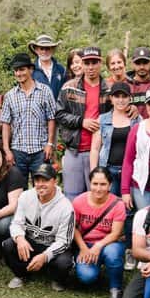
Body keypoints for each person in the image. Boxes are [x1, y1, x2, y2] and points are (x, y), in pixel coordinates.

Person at [2, 163, 75, 291]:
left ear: (55, 181)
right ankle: (21, 274)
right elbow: (16, 223)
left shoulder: (66, 207)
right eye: (37, 180)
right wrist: (20, 239)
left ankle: (57, 278)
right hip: (31, 243)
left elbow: (65, 241)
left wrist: (45, 256)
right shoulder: (25, 196)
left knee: (64, 262)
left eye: (45, 180)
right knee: (8, 245)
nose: (40, 184)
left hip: (51, 245)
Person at [56, 46, 111, 200]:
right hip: (74, 150)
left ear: (101, 63)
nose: (90, 67)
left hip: (100, 153)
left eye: (94, 62)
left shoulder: (108, 90)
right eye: (87, 63)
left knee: (97, 198)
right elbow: (59, 114)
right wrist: (81, 122)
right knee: (72, 198)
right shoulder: (69, 87)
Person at [72, 167, 127, 298]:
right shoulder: (79, 201)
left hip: (109, 243)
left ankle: (116, 289)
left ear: (110, 185)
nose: (98, 188)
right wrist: (83, 248)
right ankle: (94, 268)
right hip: (86, 244)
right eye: (95, 184)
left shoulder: (118, 204)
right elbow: (73, 228)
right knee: (87, 277)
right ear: (90, 183)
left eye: (103, 184)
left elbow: (115, 233)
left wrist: (98, 245)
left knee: (113, 253)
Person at [0, 53, 57, 179]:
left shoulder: (45, 91)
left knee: (42, 186)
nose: (19, 73)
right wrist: (7, 149)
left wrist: (50, 144)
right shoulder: (10, 95)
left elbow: (51, 118)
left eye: (22, 69)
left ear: (30, 70)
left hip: (40, 150)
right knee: (19, 189)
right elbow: (6, 123)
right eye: (16, 70)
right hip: (18, 150)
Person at [89, 81, 139, 196]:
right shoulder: (102, 119)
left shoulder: (137, 119)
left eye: (124, 96)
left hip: (131, 171)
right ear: (111, 98)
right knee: (110, 205)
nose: (120, 100)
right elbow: (95, 149)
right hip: (108, 170)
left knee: (129, 207)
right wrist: (94, 172)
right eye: (117, 96)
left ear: (130, 98)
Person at [28, 33, 67, 99]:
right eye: (42, 48)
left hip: (58, 108)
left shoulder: (61, 69)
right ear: (36, 50)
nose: (44, 51)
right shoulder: (31, 70)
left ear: (52, 50)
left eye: (47, 48)